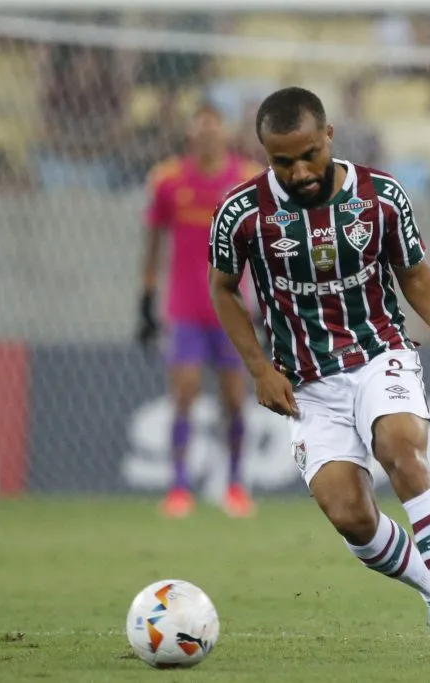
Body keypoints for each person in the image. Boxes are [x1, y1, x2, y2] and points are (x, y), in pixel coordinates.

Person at [207, 86, 430, 666]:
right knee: (352, 518)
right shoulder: (241, 213)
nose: (299, 171)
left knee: (401, 450)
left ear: (329, 137)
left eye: (308, 155)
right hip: (307, 383)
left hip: (379, 354)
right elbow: (223, 289)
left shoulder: (380, 197)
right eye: (282, 161)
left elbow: (415, 275)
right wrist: (260, 369)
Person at [138, 103, 264, 519]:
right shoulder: (168, 180)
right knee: (185, 395)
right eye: (201, 129)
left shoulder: (247, 179)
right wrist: (145, 298)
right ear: (191, 136)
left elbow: (263, 245)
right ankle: (178, 487)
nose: (208, 136)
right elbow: (154, 241)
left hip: (231, 309)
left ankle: (235, 484)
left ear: (224, 134)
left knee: (234, 399)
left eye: (214, 128)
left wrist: (265, 301)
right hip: (186, 310)